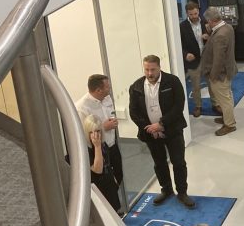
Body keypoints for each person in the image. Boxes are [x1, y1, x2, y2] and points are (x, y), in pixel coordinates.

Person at [128, 55, 194, 207]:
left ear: (159, 67)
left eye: (153, 69)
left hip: (172, 131)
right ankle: (166, 189)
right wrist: (150, 128)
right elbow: (134, 112)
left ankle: (182, 192)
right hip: (151, 134)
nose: (149, 73)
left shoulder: (172, 82)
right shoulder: (136, 87)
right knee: (159, 163)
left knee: (178, 162)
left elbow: (178, 106)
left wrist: (161, 124)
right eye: (146, 70)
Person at [75, 73, 123, 188]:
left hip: (112, 145)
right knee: (105, 182)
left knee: (118, 175)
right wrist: (104, 127)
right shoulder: (81, 108)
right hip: (98, 150)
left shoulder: (107, 98)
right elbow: (83, 133)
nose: (110, 88)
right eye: (107, 87)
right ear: (98, 90)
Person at [200, 7, 237, 137]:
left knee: (224, 99)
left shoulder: (220, 35)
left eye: (207, 21)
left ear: (211, 21)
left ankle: (230, 125)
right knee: (227, 96)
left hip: (220, 73)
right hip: (228, 69)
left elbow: (218, 60)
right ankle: (227, 118)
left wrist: (213, 76)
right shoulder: (227, 27)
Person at [82, 114, 122, 214]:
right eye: (91, 132)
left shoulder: (103, 144)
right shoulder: (86, 150)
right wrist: (97, 147)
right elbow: (98, 169)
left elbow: (107, 163)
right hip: (97, 187)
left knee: (114, 210)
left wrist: (114, 179)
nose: (95, 135)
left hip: (109, 184)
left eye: (98, 131)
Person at [180, 2, 209, 117]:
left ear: (199, 11)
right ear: (187, 13)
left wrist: (208, 36)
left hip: (207, 58)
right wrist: (185, 54)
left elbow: (215, 37)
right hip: (193, 61)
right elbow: (179, 44)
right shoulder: (182, 26)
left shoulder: (206, 22)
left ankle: (215, 103)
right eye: (191, 14)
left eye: (195, 13)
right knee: (196, 86)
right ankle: (198, 106)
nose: (194, 16)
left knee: (212, 83)